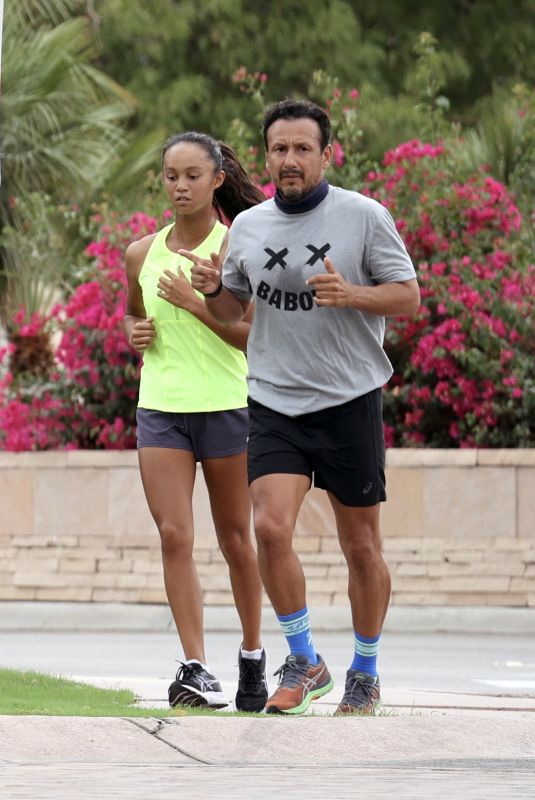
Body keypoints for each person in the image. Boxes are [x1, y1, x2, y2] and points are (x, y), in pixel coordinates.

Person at [187, 99, 420, 716]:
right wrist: (213, 292)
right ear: (267, 155)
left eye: (301, 149)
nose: (289, 160)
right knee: (268, 527)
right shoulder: (251, 226)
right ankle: (304, 657)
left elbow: (408, 297)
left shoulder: (364, 217)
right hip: (273, 399)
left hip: (348, 400)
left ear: (325, 154)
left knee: (362, 548)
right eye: (279, 149)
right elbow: (234, 311)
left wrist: (354, 294)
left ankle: (365, 669)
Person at [124, 131, 268, 712]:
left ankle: (253, 657)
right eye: (170, 176)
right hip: (161, 407)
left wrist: (193, 302)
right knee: (174, 535)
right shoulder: (140, 253)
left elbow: (250, 336)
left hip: (228, 406)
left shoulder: (239, 247)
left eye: (191, 176)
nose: (179, 186)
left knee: (237, 539)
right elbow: (135, 318)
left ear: (216, 180)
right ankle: (195, 666)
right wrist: (135, 335)